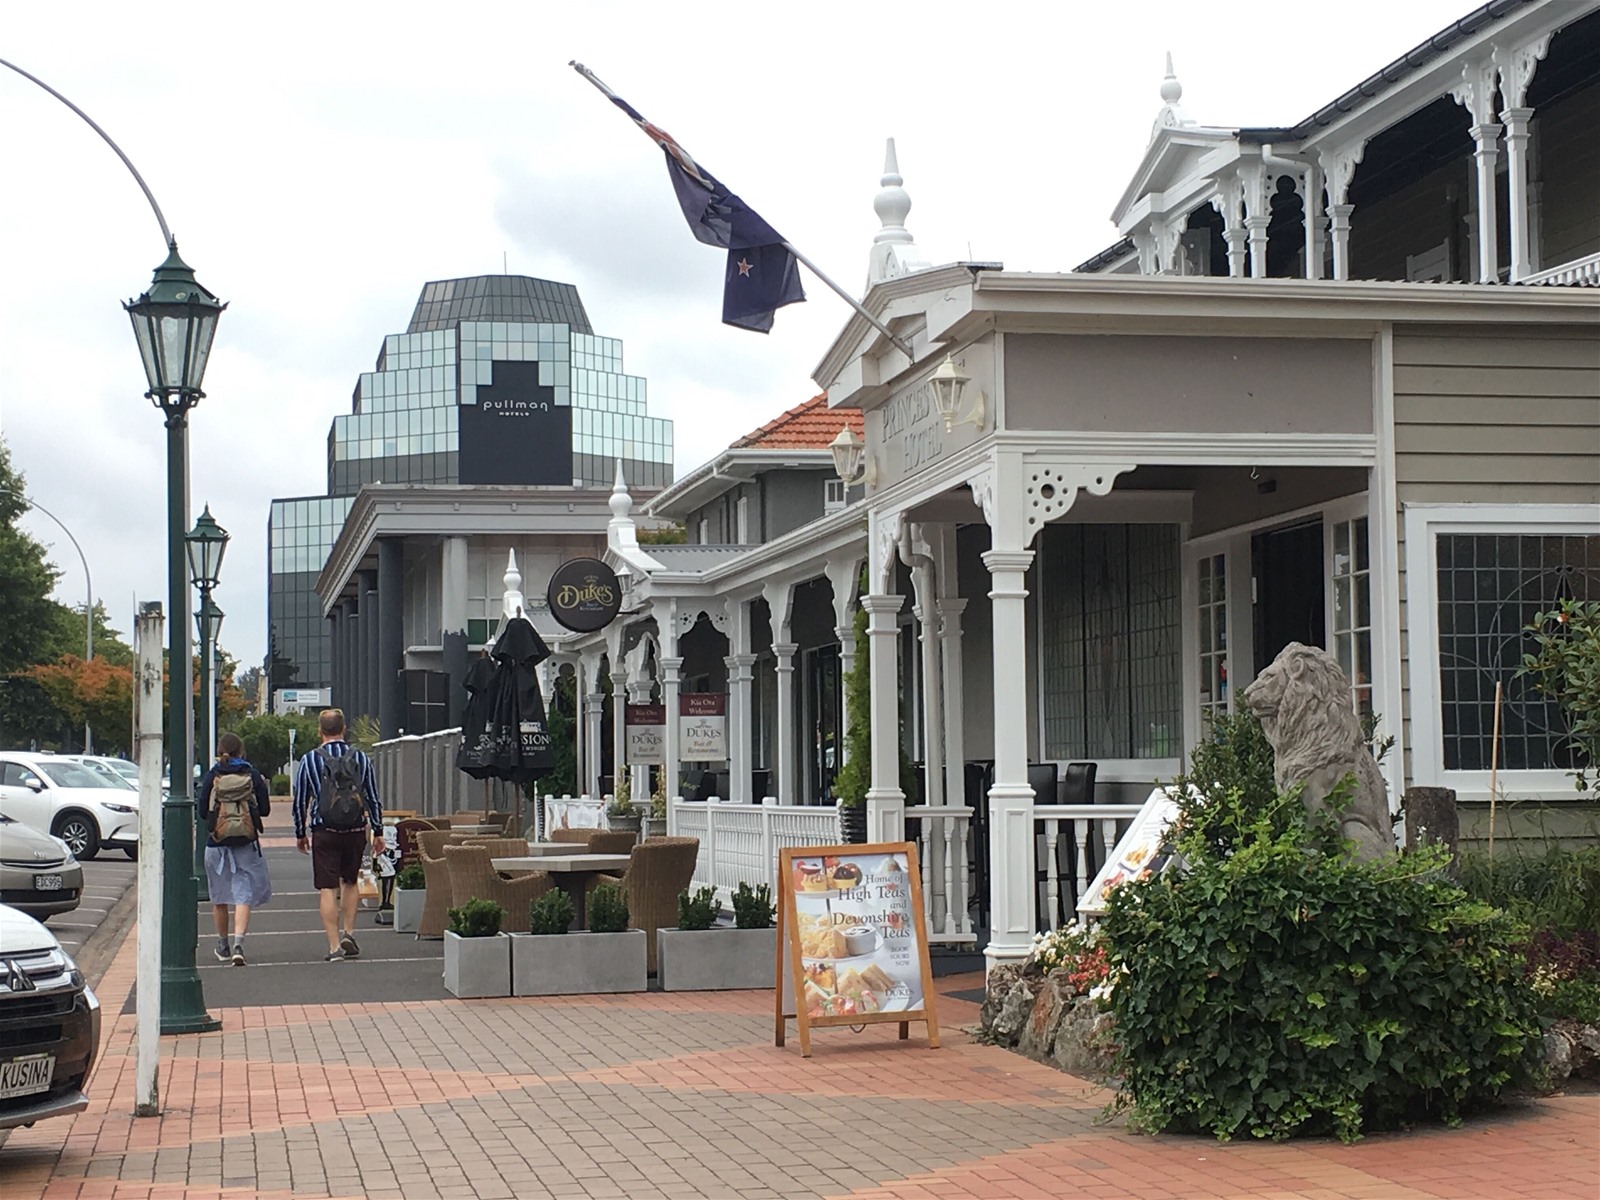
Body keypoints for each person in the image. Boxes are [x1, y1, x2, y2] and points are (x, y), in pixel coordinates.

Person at [292, 709, 385, 962]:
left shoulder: (309, 760)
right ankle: (350, 932)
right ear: (344, 729)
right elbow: (372, 797)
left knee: (327, 887)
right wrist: (378, 830)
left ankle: (334, 947)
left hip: (325, 830)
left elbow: (300, 800)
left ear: (319, 731)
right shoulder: (362, 758)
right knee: (351, 882)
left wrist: (300, 832)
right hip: (354, 829)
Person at [199, 731, 272, 966]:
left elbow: (202, 811)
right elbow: (265, 810)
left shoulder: (213, 775)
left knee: (219, 897)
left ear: (220, 751)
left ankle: (223, 944)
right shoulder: (252, 774)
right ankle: (239, 943)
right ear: (241, 751)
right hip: (245, 842)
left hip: (217, 843)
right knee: (243, 894)